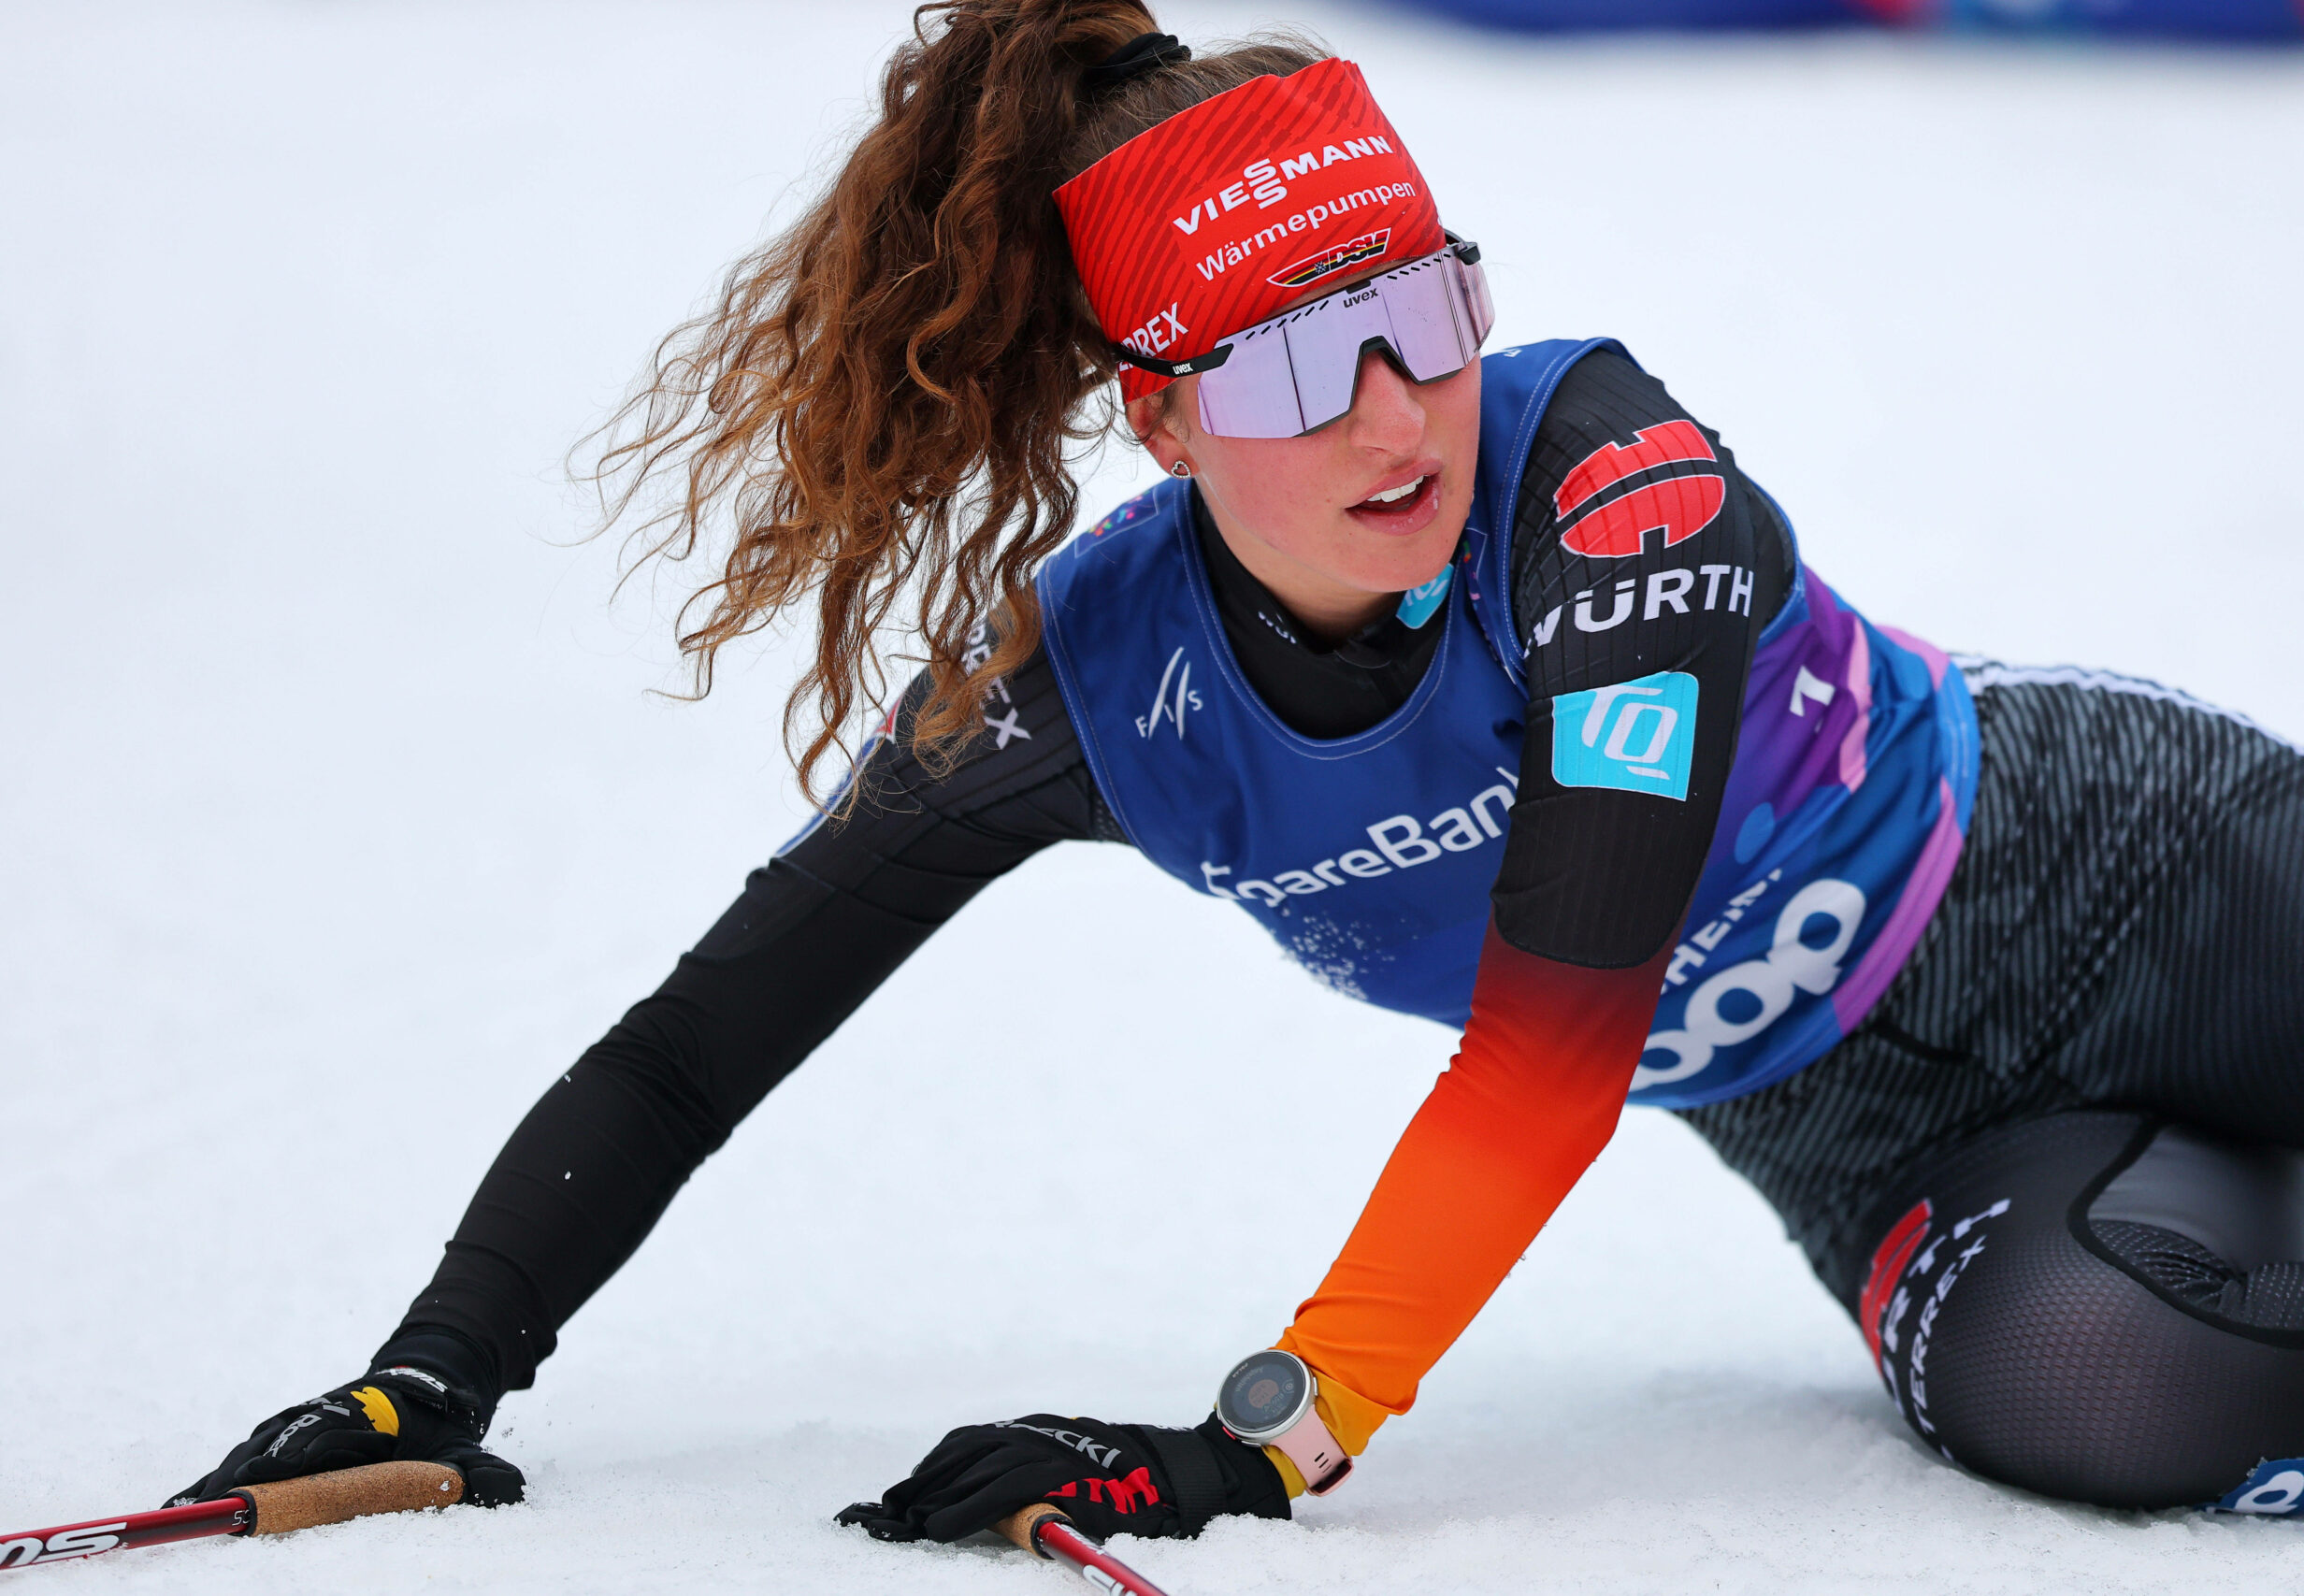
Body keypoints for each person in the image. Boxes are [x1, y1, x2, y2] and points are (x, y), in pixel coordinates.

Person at [171, 0, 2304, 1540]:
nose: (1396, 412)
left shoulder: (1599, 472)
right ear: (1162, 418)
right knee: (2107, 1390)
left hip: (2107, 875)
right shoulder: (1090, 686)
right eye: (1289, 355)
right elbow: (691, 1046)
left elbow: (1552, 1040)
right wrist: (435, 1367)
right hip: (1840, 1126)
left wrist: (1269, 1430)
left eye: (1419, 312)